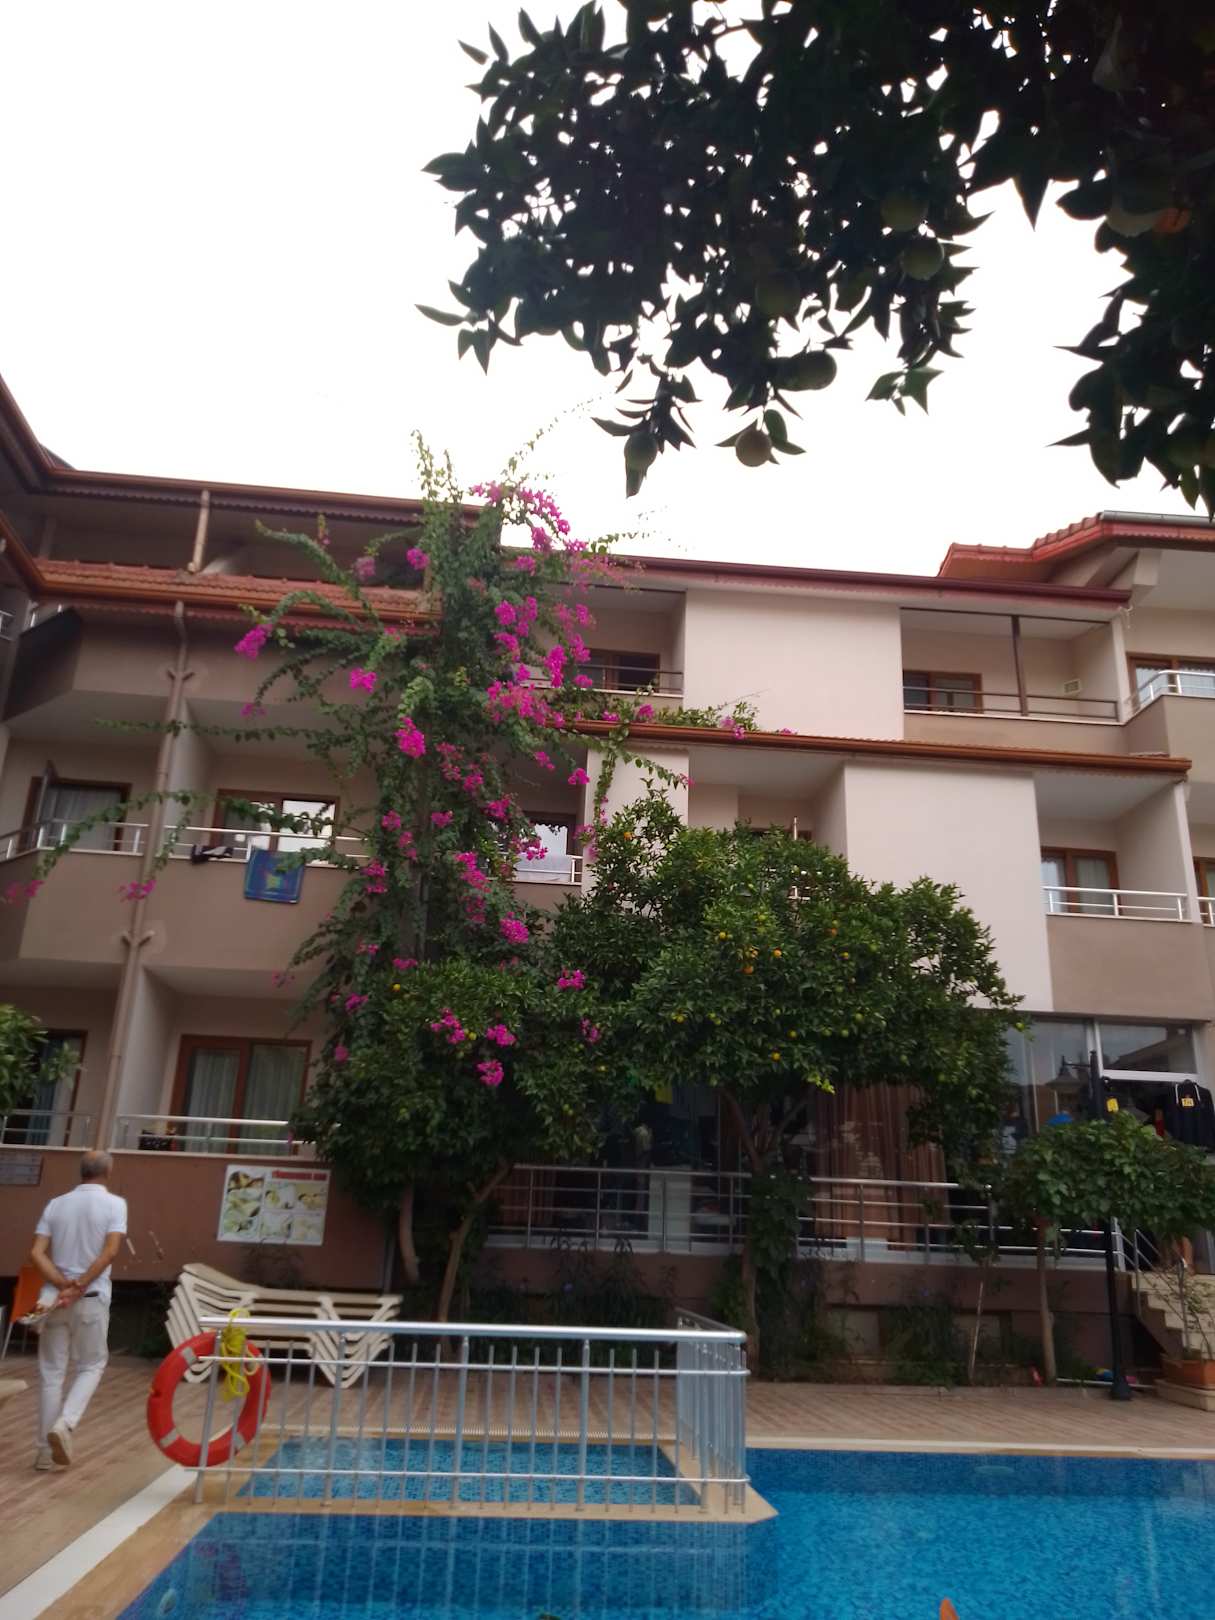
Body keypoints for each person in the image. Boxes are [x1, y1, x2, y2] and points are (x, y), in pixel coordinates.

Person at [29, 1149, 127, 1470]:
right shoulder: (115, 1204)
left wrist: (62, 1284)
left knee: (51, 1374)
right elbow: (110, 1251)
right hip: (91, 1297)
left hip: (53, 1299)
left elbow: (36, 1253)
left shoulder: (56, 1204)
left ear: (81, 1171)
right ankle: (65, 1423)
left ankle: (44, 1453)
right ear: (108, 1172)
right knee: (92, 1364)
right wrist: (81, 1284)